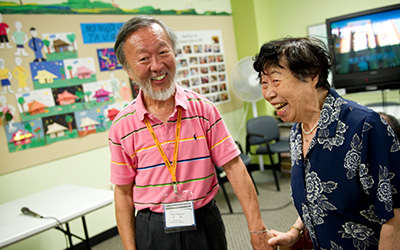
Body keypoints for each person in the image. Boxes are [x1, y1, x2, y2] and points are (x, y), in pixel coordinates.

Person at [108, 15, 274, 250]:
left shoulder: (203, 110)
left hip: (203, 220)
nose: (156, 66)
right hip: (152, 228)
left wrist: (257, 228)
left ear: (174, 53)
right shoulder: (121, 126)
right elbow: (123, 193)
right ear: (128, 69)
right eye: (144, 58)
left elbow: (235, 168)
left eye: (163, 52)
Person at [253, 37, 400, 249]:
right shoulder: (298, 130)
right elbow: (316, 198)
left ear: (313, 75)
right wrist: (295, 233)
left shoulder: (365, 126)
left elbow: (395, 214)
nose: (268, 93)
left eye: (276, 81)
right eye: (264, 84)